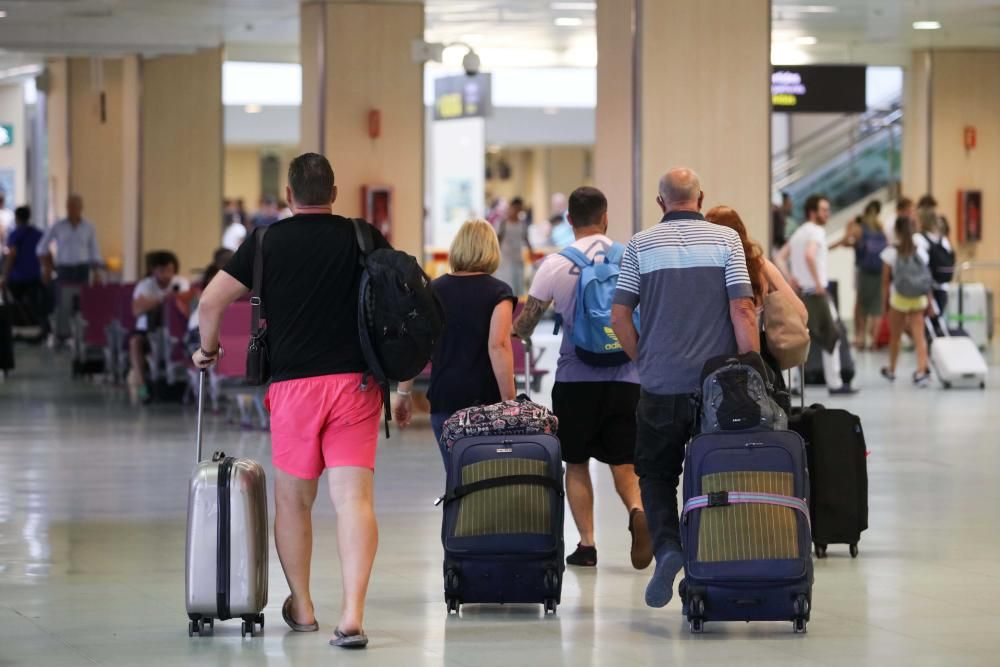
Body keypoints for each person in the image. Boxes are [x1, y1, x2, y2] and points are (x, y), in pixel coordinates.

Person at [193, 153, 389, 649]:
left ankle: (301, 606)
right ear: (334, 193)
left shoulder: (264, 242)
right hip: (356, 384)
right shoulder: (362, 236)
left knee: (293, 503)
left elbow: (210, 302)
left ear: (288, 194)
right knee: (354, 501)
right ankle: (352, 616)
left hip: (294, 389)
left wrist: (209, 349)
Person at [610, 167, 759, 609]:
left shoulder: (639, 245)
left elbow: (619, 317)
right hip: (718, 388)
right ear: (701, 198)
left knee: (655, 475)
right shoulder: (726, 241)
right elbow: (743, 308)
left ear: (660, 203)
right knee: (714, 471)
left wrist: (644, 359)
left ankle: (669, 548)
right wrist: (752, 369)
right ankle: (712, 562)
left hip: (660, 387)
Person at [513, 186, 651, 571]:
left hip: (575, 380)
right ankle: (638, 511)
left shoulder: (556, 265)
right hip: (627, 377)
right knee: (624, 462)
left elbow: (526, 325)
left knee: (576, 462)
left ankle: (587, 545)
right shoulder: (630, 259)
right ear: (606, 216)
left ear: (569, 220)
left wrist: (514, 332)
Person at [393, 219, 516, 464]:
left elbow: (416, 344)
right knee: (487, 481)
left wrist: (403, 393)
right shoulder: (498, 293)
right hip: (485, 400)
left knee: (457, 480)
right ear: (491, 250)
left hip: (444, 400)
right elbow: (498, 346)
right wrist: (510, 404)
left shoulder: (432, 291)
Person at [705, 205, 806, 388]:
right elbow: (800, 313)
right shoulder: (760, 265)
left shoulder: (706, 269)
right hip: (760, 361)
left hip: (715, 363)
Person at [776, 194, 857, 395]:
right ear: (813, 212)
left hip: (800, 293)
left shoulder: (799, 232)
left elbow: (779, 257)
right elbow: (810, 255)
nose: (827, 213)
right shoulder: (817, 231)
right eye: (824, 210)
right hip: (816, 293)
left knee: (799, 337)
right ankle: (835, 383)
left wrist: (791, 278)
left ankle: (793, 384)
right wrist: (818, 282)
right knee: (832, 336)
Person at [35, 194, 103, 344]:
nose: (71, 209)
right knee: (62, 301)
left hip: (83, 268)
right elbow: (41, 248)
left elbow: (94, 250)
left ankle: (81, 334)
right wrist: (46, 266)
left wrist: (97, 272)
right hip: (64, 268)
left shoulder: (89, 226)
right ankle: (62, 334)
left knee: (83, 302)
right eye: (69, 206)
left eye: (75, 206)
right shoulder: (58, 226)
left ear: (81, 208)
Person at [128, 251, 190, 403]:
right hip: (147, 329)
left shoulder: (180, 283)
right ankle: (142, 386)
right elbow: (137, 309)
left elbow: (185, 302)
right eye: (162, 270)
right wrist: (162, 299)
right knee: (135, 343)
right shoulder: (145, 286)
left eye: (170, 270)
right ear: (153, 270)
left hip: (177, 329)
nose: (166, 275)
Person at [880, 216, 931, 386]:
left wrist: (884, 304)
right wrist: (929, 300)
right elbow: (926, 277)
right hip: (918, 298)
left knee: (896, 336)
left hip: (899, 299)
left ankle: (892, 370)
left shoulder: (891, 252)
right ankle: (921, 371)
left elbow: (886, 281)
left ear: (897, 231)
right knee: (919, 336)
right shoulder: (921, 251)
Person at [841, 200, 887, 350]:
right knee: (877, 307)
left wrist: (849, 225)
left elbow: (846, 242)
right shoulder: (880, 228)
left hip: (864, 271)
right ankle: (873, 341)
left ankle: (860, 338)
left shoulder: (861, 227)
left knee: (861, 305)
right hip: (879, 271)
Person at [1, 206, 47, 335]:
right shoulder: (38, 234)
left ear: (16, 218)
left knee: (15, 305)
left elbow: (11, 256)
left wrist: (4, 275)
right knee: (34, 305)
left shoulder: (15, 234)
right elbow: (45, 254)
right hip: (34, 275)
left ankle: (18, 328)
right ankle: (37, 328)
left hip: (17, 277)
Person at [914, 202, 954, 335]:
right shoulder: (943, 239)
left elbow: (920, 264)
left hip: (927, 288)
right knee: (938, 320)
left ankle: (928, 348)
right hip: (943, 286)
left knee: (925, 323)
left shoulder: (919, 238)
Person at [495, 197, 533, 296]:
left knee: (518, 288)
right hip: (504, 262)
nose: (516, 211)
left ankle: (516, 310)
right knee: (506, 287)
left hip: (517, 261)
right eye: (515, 208)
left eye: (519, 209)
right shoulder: (502, 224)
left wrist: (531, 252)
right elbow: (496, 241)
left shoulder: (522, 225)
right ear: (511, 208)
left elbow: (526, 239)